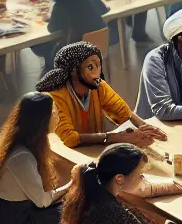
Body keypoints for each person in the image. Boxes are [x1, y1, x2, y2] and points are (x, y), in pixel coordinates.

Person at [0, 92, 75, 224]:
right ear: (40, 120)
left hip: (20, 214)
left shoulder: (25, 145)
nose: (58, 116)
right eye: (53, 113)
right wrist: (72, 184)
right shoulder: (21, 158)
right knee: (78, 218)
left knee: (75, 209)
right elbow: (43, 201)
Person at [36, 40, 165, 147]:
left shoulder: (98, 87)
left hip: (93, 149)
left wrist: (144, 126)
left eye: (99, 66)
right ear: (74, 71)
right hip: (65, 157)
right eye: (91, 67)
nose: (97, 73)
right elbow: (70, 138)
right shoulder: (55, 96)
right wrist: (115, 137)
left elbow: (122, 111)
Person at [44, 0, 108, 67]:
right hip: (98, 49)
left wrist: (52, 17)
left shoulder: (60, 8)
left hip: (76, 53)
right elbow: (104, 9)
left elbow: (51, 28)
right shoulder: (90, 1)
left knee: (48, 49)